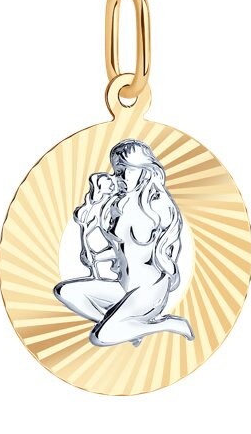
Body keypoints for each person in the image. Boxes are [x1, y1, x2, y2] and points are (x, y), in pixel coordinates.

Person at [54, 139, 194, 347]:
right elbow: (120, 247)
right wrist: (96, 253)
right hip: (124, 285)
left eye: (125, 170)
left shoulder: (158, 204)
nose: (119, 176)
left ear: (143, 169)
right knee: (64, 292)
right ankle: (127, 329)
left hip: (149, 289)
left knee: (100, 337)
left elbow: (167, 246)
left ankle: (170, 324)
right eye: (117, 171)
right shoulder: (117, 202)